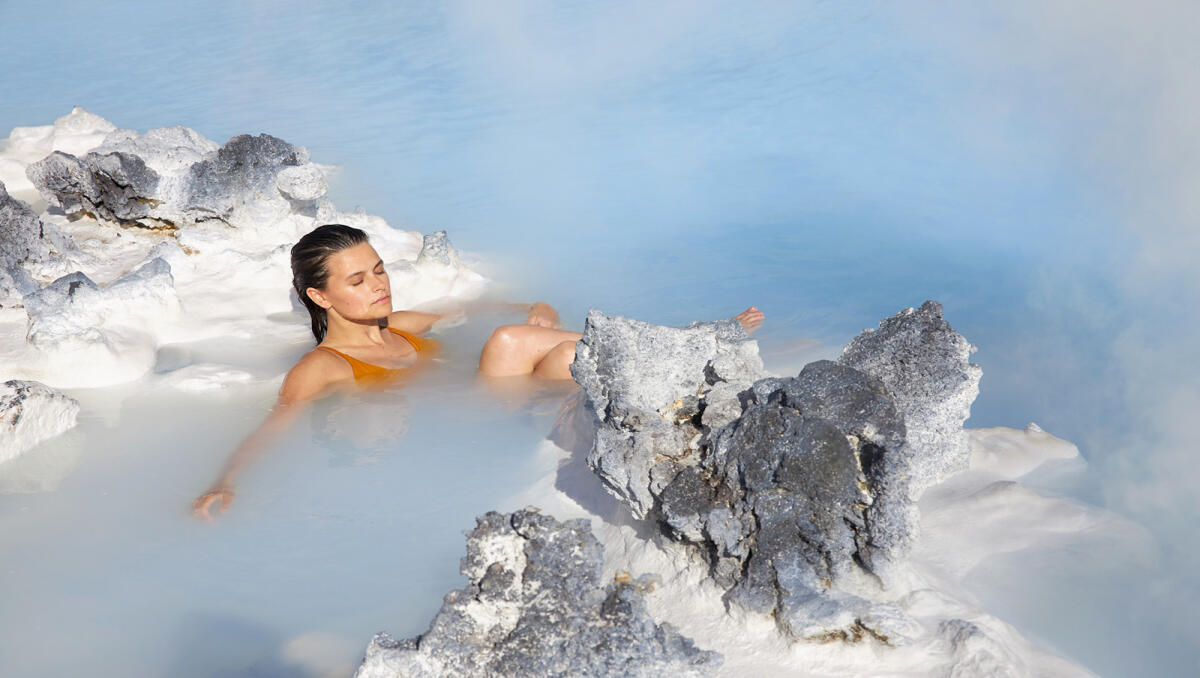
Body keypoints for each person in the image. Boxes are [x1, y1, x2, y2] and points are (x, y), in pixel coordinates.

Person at [192, 223, 763, 519]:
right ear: (320, 296)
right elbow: (276, 425)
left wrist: (533, 306)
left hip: (501, 402)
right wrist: (225, 481)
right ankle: (686, 343)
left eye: (380, 269)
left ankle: (673, 355)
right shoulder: (323, 367)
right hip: (467, 422)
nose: (379, 285)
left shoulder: (400, 324)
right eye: (358, 280)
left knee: (559, 356)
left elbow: (466, 310)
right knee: (510, 342)